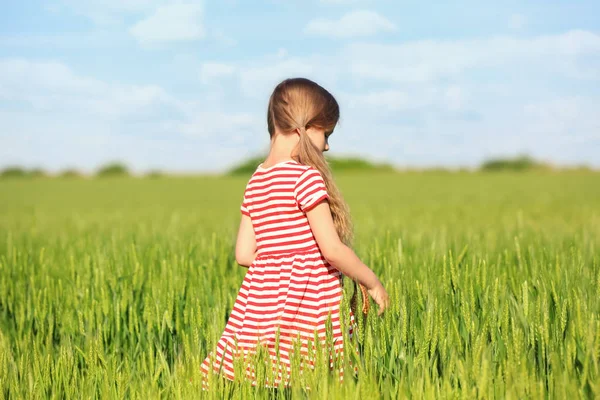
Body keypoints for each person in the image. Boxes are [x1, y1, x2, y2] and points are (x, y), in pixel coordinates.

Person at [200, 77, 390, 391]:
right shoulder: (306, 177)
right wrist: (371, 281)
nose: (327, 145)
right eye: (325, 133)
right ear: (304, 127)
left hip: (261, 303)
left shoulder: (256, 180)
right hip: (308, 301)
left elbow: (244, 254)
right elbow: (331, 250)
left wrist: (276, 265)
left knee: (269, 376)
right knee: (311, 380)